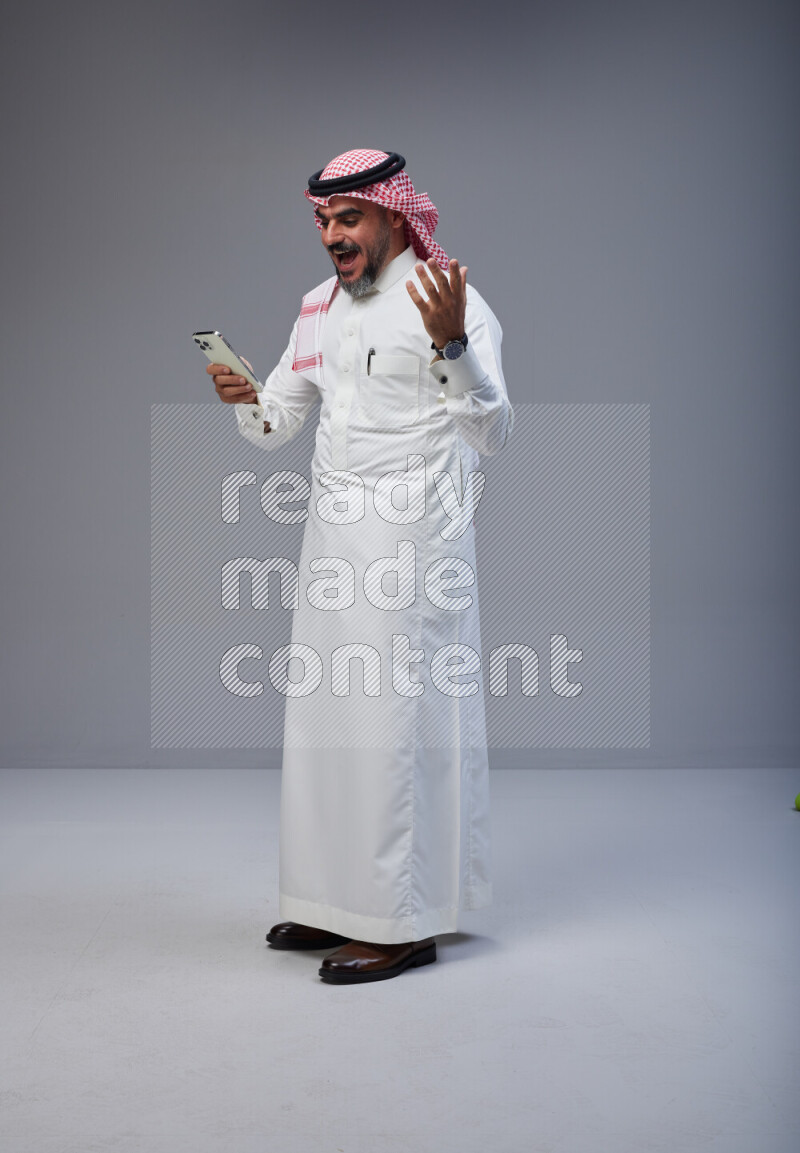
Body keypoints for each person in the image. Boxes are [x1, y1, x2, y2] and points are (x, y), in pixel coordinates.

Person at [209, 149, 513, 984]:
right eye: (322, 221)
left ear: (390, 214)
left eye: (348, 218)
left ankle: (401, 921)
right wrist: (243, 397)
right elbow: (279, 421)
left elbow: (493, 430)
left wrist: (452, 341)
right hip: (332, 538)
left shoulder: (448, 298)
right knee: (326, 721)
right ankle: (334, 902)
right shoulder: (318, 309)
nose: (332, 235)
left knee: (394, 726)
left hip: (414, 541)